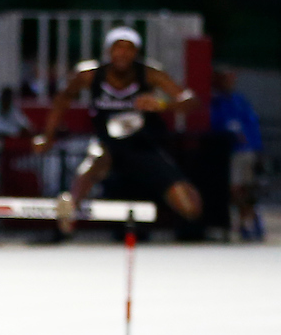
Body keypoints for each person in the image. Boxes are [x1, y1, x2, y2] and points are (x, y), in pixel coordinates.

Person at [33, 27, 202, 235]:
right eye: (117, 48)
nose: (122, 53)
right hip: (108, 144)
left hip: (142, 145)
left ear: (136, 52)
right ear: (108, 51)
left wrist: (162, 104)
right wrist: (47, 136)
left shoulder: (149, 73)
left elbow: (191, 100)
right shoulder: (89, 74)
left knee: (191, 208)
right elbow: (61, 101)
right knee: (95, 159)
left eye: (128, 48)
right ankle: (70, 205)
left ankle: (178, 218)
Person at [210, 68, 264, 240]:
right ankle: (241, 221)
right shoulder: (215, 101)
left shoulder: (239, 100)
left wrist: (257, 149)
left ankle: (249, 221)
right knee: (234, 189)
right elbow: (215, 124)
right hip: (229, 153)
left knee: (248, 188)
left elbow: (252, 126)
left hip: (247, 152)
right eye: (226, 78)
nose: (230, 82)